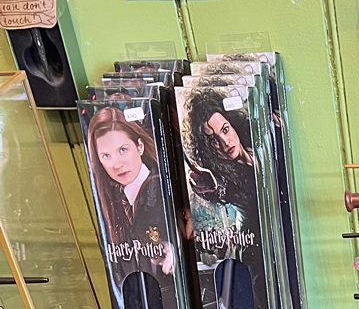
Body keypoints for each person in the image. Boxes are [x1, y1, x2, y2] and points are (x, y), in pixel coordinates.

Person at [85, 107, 174, 277]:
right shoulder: (113, 201)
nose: (117, 164)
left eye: (123, 150)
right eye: (106, 156)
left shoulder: (164, 190)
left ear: (139, 146)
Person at [183, 86, 257, 224]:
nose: (225, 143)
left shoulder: (254, 140)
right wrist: (213, 188)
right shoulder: (226, 179)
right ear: (207, 149)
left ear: (233, 124)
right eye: (214, 141)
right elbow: (221, 190)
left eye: (225, 130)